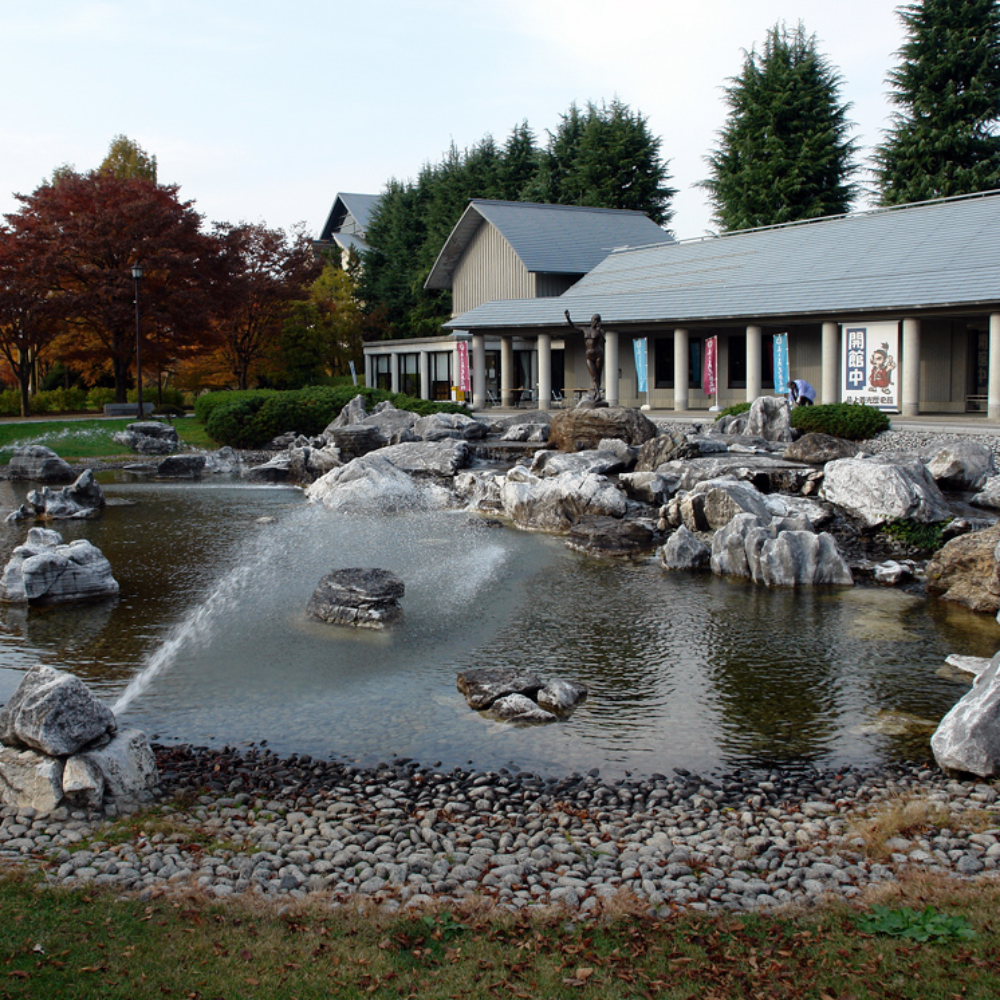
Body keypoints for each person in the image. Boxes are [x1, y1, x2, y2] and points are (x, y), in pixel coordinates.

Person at [565, 310, 605, 396]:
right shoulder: (585, 329)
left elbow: (603, 341)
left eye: (595, 320)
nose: (593, 322)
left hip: (598, 354)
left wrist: (599, 332)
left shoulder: (599, 331)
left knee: (598, 375)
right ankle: (597, 393)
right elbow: (574, 327)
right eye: (593, 319)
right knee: (594, 376)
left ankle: (597, 393)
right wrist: (568, 318)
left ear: (598, 322)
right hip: (589, 355)